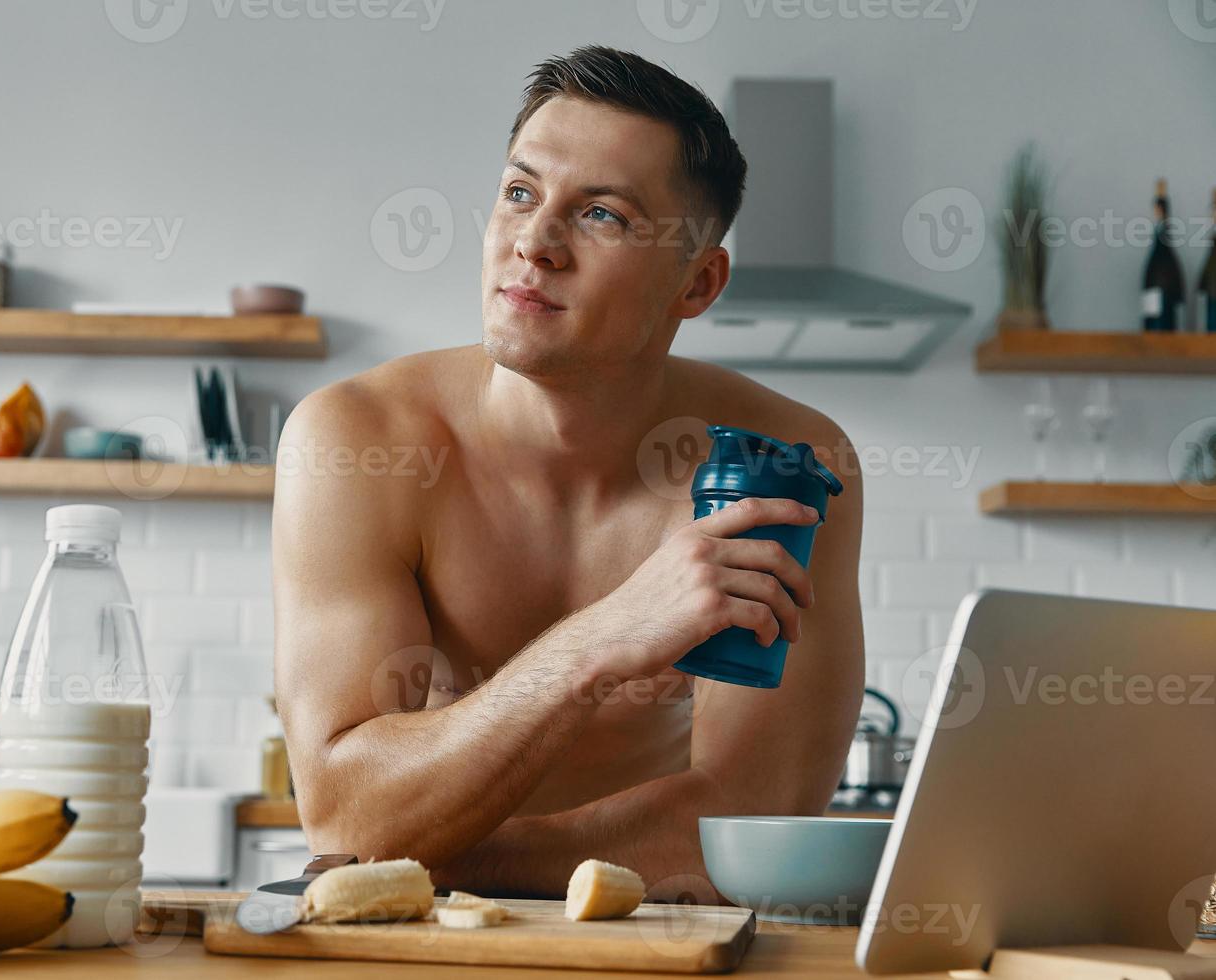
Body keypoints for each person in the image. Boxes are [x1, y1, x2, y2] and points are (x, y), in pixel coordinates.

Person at [273, 45, 864, 902]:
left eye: (602, 216)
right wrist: (607, 637)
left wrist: (446, 856)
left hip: (655, 942)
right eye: (520, 193)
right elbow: (344, 818)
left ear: (697, 284)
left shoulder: (782, 467)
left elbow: (748, 821)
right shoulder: (360, 440)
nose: (535, 243)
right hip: (431, 949)